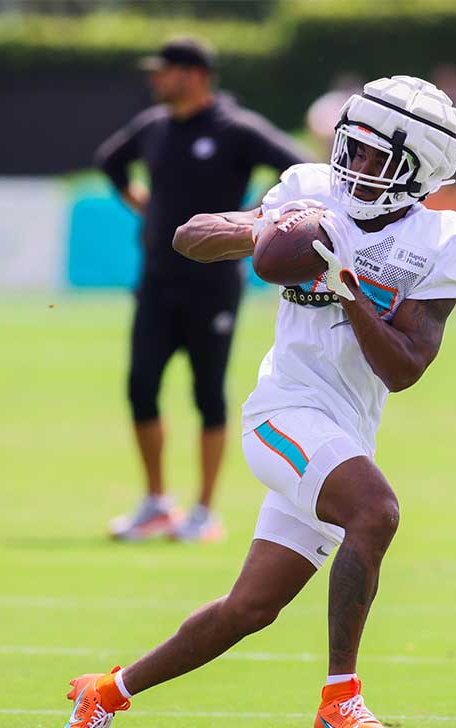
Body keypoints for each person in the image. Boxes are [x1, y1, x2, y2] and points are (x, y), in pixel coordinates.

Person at [53, 75, 456, 728]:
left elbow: (404, 367)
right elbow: (193, 236)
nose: (358, 168)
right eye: (356, 149)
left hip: (344, 430)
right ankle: (341, 696)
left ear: (422, 172)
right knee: (376, 513)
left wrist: (345, 286)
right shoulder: (309, 194)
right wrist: (257, 230)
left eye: (381, 160)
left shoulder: (442, 241)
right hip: (282, 413)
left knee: (249, 609)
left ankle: (106, 692)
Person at [95, 36, 311, 542]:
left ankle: (204, 512)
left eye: (164, 70)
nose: (155, 80)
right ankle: (155, 503)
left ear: (195, 75)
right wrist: (143, 205)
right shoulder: (153, 127)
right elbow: (111, 161)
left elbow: (297, 167)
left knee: (207, 392)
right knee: (141, 386)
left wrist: (256, 219)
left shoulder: (234, 129)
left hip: (213, 286)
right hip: (155, 281)